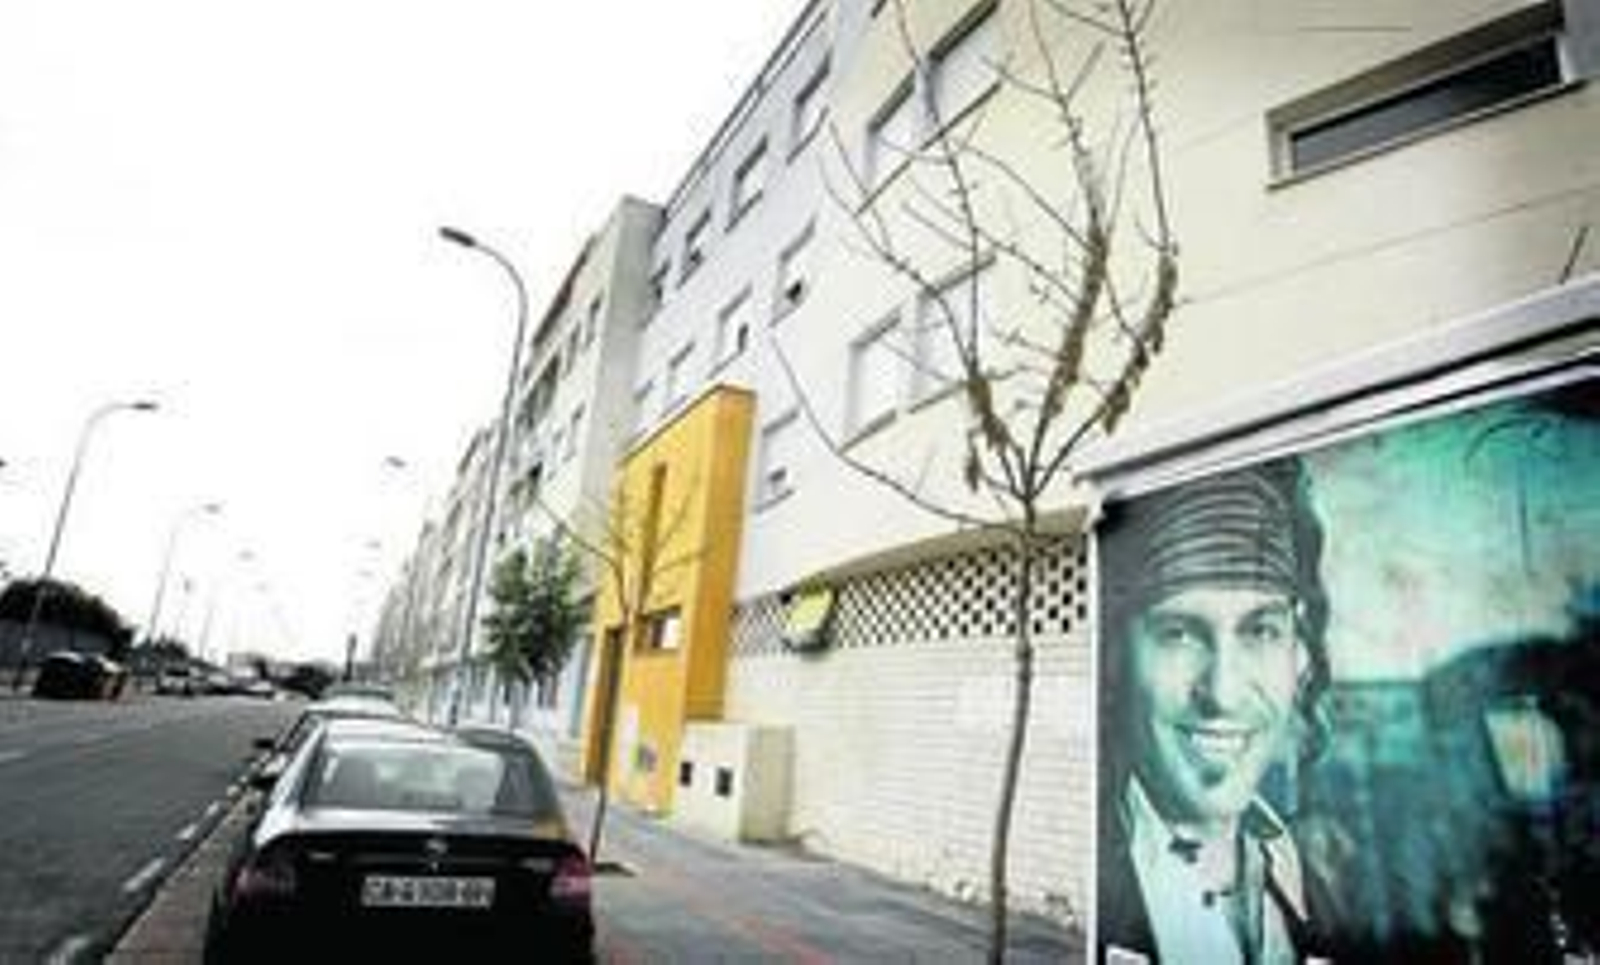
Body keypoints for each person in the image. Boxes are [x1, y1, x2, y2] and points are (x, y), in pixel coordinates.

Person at [1098, 458, 1334, 964]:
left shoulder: (1318, 890)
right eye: (1178, 633)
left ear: (1302, 655)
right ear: (1117, 657)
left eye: (1261, 630)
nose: (1224, 693)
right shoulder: (1095, 871)